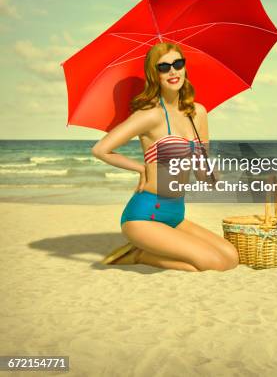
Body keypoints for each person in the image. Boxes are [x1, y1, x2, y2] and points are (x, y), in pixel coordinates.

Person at [92, 42, 239, 272]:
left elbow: (202, 175)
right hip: (144, 215)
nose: (172, 71)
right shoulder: (150, 115)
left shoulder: (197, 112)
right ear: (154, 74)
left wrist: (211, 172)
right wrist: (141, 169)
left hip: (175, 213)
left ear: (184, 68)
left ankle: (144, 251)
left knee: (230, 257)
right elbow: (101, 149)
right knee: (209, 264)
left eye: (177, 64)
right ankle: (138, 254)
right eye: (163, 67)